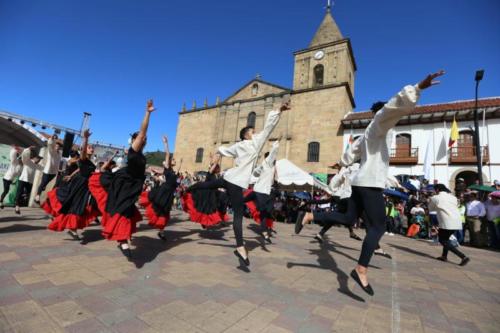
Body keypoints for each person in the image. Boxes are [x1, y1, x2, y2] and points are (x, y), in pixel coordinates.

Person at [299, 70, 445, 295]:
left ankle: (310, 216)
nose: (394, 118)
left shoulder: (368, 132)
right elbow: (390, 109)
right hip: (369, 183)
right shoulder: (379, 123)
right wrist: (418, 88)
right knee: (378, 227)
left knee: (349, 217)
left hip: (360, 181)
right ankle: (361, 268)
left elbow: (352, 152)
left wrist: (340, 163)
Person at [188, 100, 290, 266]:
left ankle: (189, 189)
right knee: (238, 216)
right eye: (252, 131)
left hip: (229, 178)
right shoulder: (255, 143)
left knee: (207, 185)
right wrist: (279, 110)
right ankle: (240, 247)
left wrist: (216, 154)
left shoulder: (237, 146)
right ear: (247, 135)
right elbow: (268, 127)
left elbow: (222, 150)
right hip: (235, 184)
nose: (255, 132)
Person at [89, 99, 154, 258]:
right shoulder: (134, 150)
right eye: (140, 138)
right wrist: (148, 113)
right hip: (124, 185)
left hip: (131, 185)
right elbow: (143, 131)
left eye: (144, 138)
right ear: (134, 141)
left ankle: (123, 239)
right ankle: (122, 241)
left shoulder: (140, 154)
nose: (143, 139)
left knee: (128, 211)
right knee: (122, 211)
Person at [44, 130, 99, 240]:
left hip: (84, 185)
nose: (92, 149)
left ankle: (72, 228)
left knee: (78, 206)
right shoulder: (83, 158)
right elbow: (82, 155)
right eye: (89, 147)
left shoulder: (90, 161)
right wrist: (85, 138)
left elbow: (79, 169)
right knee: (73, 204)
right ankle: (66, 223)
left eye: (92, 148)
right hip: (79, 184)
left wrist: (70, 176)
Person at [139, 135, 178, 240]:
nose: (174, 160)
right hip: (163, 192)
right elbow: (167, 154)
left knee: (164, 212)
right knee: (158, 208)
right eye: (172, 159)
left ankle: (161, 232)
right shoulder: (168, 169)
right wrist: (166, 143)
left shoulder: (173, 172)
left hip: (169, 194)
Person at [243, 140, 280, 243]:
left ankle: (264, 232)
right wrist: (276, 144)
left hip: (260, 192)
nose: (275, 160)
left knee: (263, 212)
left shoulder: (269, 167)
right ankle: (264, 232)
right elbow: (273, 153)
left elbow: (256, 173)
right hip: (260, 192)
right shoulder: (267, 163)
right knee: (263, 211)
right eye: (273, 158)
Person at [428, 184, 470, 266]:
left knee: (442, 240)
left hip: (446, 221)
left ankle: (463, 257)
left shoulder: (435, 198)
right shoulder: (453, 197)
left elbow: (431, 209)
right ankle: (444, 256)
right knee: (446, 239)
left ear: (437, 190)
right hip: (457, 221)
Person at [182, 156, 228, 229]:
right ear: (215, 168)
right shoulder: (210, 173)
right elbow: (212, 166)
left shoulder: (216, 175)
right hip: (206, 192)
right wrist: (217, 160)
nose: (219, 169)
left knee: (211, 207)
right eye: (218, 168)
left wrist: (212, 159)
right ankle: (206, 221)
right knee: (207, 208)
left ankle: (210, 220)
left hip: (212, 193)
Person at [14, 147, 44, 214]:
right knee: (19, 193)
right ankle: (17, 207)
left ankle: (23, 198)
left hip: (30, 182)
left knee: (28, 192)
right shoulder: (27, 161)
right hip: (23, 179)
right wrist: (28, 149)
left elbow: (44, 169)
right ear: (34, 158)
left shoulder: (37, 165)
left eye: (40, 160)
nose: (39, 161)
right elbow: (24, 155)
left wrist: (58, 171)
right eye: (38, 159)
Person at [35, 135, 62, 204]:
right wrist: (52, 139)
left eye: (58, 147)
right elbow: (50, 145)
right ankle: (37, 196)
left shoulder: (60, 154)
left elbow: (58, 162)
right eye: (56, 146)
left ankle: (42, 187)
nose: (57, 147)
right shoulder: (51, 151)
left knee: (45, 183)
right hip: (48, 170)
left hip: (54, 172)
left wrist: (59, 170)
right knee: (43, 183)